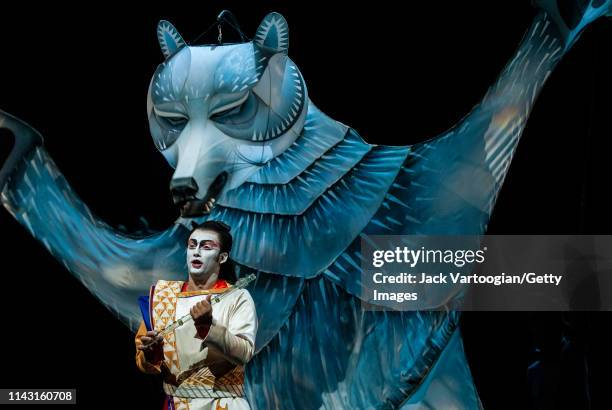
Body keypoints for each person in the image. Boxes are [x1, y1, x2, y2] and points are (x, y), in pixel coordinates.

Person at [135, 220, 257, 410]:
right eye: (192, 245)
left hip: (222, 403)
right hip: (176, 403)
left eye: (206, 247)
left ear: (222, 257)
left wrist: (209, 327)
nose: (197, 251)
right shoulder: (163, 297)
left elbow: (244, 353)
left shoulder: (237, 297)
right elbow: (144, 365)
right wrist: (151, 356)